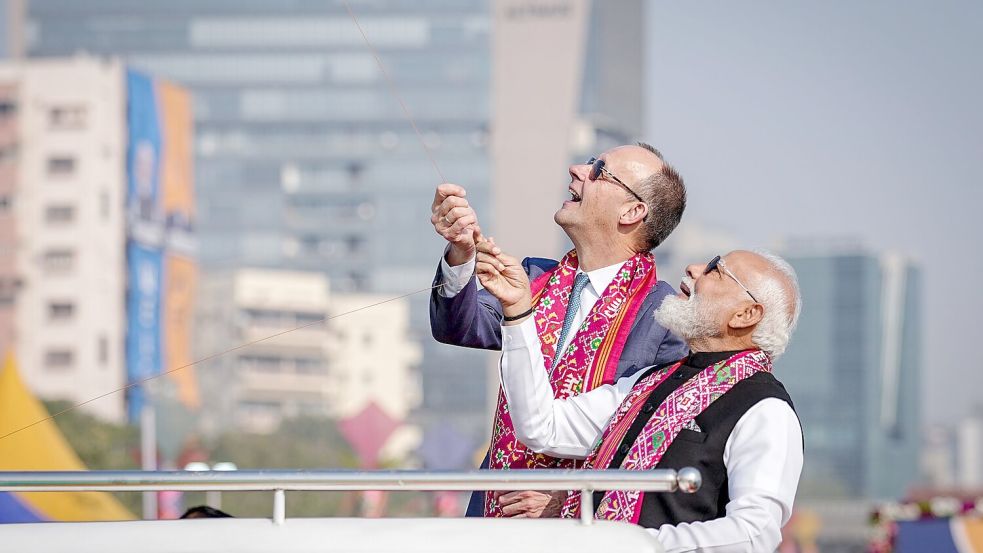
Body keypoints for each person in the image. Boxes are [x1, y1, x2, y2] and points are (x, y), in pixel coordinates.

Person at [478, 243, 804, 553]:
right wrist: (518, 312)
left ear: (745, 314)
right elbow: (540, 426)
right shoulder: (647, 383)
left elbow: (752, 535)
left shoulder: (765, 409)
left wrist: (629, 543)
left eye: (716, 269)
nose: (694, 268)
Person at [429, 144, 689, 517]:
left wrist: (570, 499)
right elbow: (457, 327)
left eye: (599, 170)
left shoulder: (665, 318)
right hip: (491, 515)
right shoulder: (534, 279)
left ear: (632, 211)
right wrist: (460, 253)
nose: (576, 170)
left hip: (579, 531)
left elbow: (655, 444)